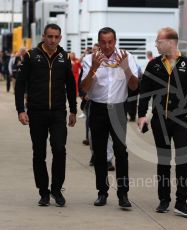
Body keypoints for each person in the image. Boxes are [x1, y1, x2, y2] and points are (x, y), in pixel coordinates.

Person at [138, 27, 187, 217]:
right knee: (163, 160)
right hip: (160, 120)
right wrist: (141, 115)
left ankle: (181, 202)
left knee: (182, 160)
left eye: (159, 41)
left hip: (181, 120)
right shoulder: (153, 65)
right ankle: (164, 199)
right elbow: (144, 93)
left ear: (170, 43)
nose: (156, 44)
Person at [15, 23, 77, 207]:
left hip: (58, 112)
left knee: (59, 150)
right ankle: (43, 192)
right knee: (39, 153)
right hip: (36, 112)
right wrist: (20, 110)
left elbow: (71, 86)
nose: (53, 40)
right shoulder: (31, 56)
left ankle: (56, 190)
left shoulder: (64, 57)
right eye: (50, 36)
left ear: (60, 37)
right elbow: (20, 84)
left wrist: (73, 109)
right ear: (43, 36)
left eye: (56, 37)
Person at [81, 27, 139, 208]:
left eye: (110, 42)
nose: (107, 46)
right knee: (99, 153)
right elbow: (84, 88)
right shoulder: (89, 59)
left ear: (115, 41)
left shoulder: (126, 56)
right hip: (97, 109)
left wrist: (126, 69)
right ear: (98, 42)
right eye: (103, 42)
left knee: (121, 152)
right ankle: (102, 192)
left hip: (118, 109)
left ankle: (123, 194)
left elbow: (135, 86)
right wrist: (93, 69)